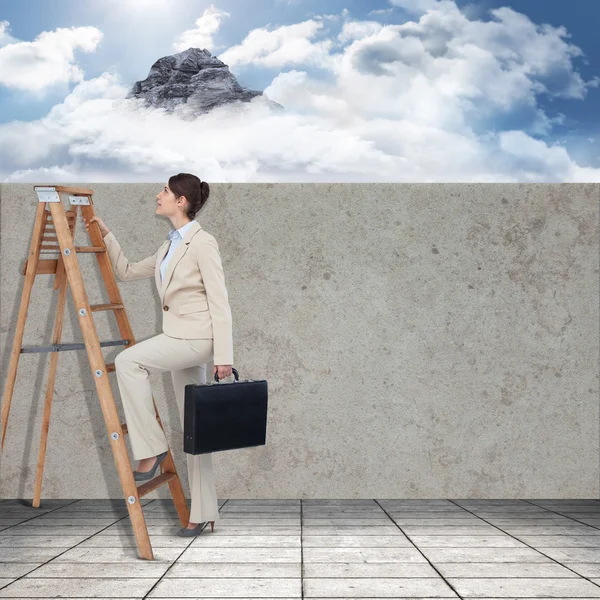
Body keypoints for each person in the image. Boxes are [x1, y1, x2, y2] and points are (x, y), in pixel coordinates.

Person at [83, 173, 233, 537]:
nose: (158, 195)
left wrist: (223, 356)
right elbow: (128, 271)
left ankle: (150, 448)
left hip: (196, 340)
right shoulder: (169, 245)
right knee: (195, 429)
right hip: (177, 337)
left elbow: (220, 300)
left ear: (180, 201)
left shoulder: (203, 242)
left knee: (128, 361)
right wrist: (107, 235)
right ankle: (203, 512)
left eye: (164, 191)